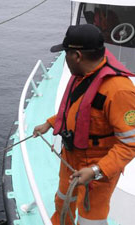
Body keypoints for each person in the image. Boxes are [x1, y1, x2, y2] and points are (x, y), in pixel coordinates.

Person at [33, 24, 135, 225]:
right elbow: (77, 110)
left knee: (91, 220)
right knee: (63, 200)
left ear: (77, 56)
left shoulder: (119, 91)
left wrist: (97, 170)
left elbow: (130, 144)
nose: (65, 58)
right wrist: (49, 123)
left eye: (66, 53)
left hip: (97, 169)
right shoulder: (82, 76)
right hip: (71, 157)